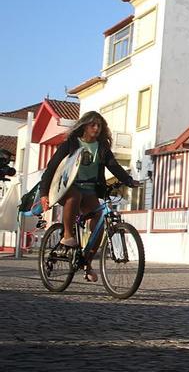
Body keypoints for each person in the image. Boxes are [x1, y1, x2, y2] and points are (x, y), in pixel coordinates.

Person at [39, 111, 137, 282]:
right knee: (74, 197)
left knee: (99, 221)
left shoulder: (102, 147)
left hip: (91, 190)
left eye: (99, 125)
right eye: (93, 124)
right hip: (67, 187)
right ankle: (68, 235)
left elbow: (114, 166)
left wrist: (129, 180)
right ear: (84, 126)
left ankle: (87, 264)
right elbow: (52, 167)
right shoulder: (71, 144)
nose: (97, 128)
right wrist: (44, 194)